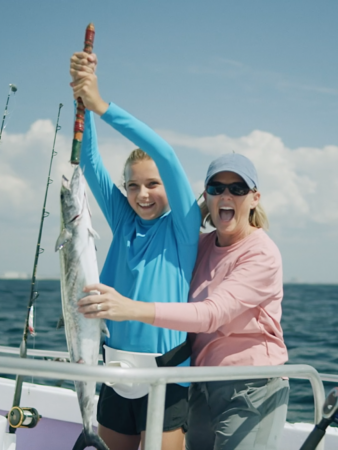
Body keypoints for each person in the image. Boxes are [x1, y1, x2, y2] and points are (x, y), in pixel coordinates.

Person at [79, 151, 290, 450]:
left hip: (250, 383)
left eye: (238, 188)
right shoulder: (200, 244)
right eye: (217, 188)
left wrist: (130, 309)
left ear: (254, 197)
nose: (226, 195)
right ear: (206, 195)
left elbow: (211, 315)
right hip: (199, 379)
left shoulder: (261, 253)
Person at [70, 52, 200, 450]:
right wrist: (82, 96)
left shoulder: (183, 224)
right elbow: (89, 162)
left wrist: (102, 105)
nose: (142, 194)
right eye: (132, 186)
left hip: (167, 378)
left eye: (152, 185)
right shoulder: (124, 218)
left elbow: (166, 154)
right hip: (116, 371)